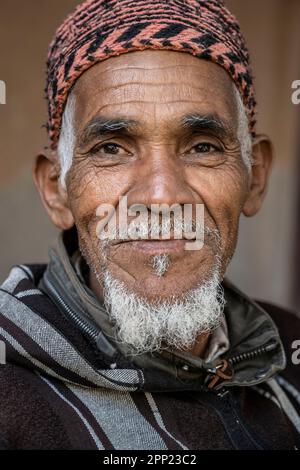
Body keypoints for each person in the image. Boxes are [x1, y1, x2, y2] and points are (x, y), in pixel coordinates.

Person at [0, 0, 299, 450]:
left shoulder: (288, 342)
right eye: (111, 148)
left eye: (202, 146)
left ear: (255, 178)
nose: (160, 196)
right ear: (56, 188)